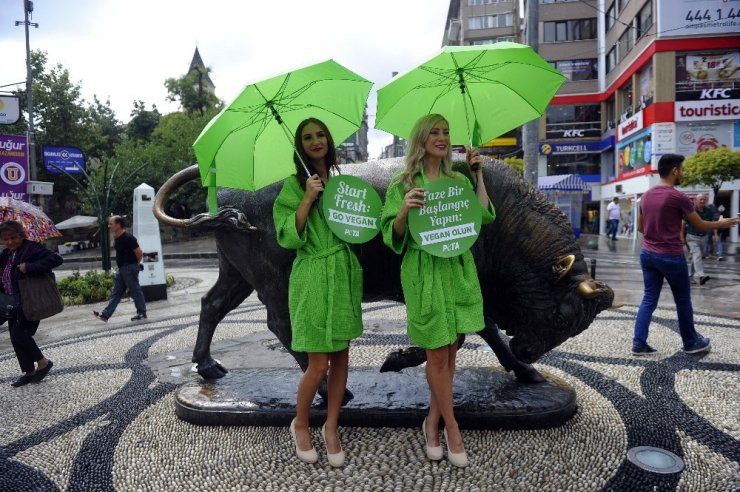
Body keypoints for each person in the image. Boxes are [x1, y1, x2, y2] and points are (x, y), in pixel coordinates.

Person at [380, 114, 495, 467]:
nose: (442, 137)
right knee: (436, 354)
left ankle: (432, 421)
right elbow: (391, 234)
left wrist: (478, 174)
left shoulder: (457, 178)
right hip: (423, 270)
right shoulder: (404, 181)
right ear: (421, 138)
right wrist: (403, 211)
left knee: (451, 349)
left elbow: (483, 215)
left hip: (456, 268)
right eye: (435, 132)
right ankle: (451, 426)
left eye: (446, 132)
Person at [273, 117, 363, 467]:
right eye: (307, 137)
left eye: (320, 134)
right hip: (311, 274)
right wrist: (307, 198)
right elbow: (286, 235)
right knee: (318, 363)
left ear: (329, 139)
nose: (315, 141)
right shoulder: (293, 186)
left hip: (342, 273)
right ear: (300, 144)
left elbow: (359, 224)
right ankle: (301, 423)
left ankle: (331, 425)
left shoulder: (342, 180)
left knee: (341, 358)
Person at [631, 154, 740, 356]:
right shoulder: (677, 197)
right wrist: (722, 224)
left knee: (649, 298)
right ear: (674, 171)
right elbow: (699, 225)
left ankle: (639, 343)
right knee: (682, 299)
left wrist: (656, 234)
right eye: (681, 170)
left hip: (647, 253)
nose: (683, 173)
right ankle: (691, 342)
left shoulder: (646, 195)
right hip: (670, 255)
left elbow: (640, 227)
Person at [0, 220, 63, 387]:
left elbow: (56, 259)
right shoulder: (5, 254)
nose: (9, 242)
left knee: (20, 335)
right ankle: (29, 372)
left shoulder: (32, 248)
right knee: (15, 337)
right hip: (12, 303)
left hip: (30, 301)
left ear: (21, 235)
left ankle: (43, 362)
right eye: (5, 239)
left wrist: (30, 267)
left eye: (13, 237)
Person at [93, 216, 147, 322]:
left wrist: (134, 265)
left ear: (118, 225)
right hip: (122, 269)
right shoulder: (117, 238)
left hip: (129, 268)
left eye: (111, 224)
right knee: (116, 292)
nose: (109, 226)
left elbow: (139, 252)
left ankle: (142, 312)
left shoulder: (128, 237)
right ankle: (105, 315)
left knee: (135, 290)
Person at [680, 194, 713, 285]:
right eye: (700, 199)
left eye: (704, 199)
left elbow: (712, 224)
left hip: (704, 237)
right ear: (696, 200)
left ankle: (689, 276)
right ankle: (701, 275)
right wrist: (681, 236)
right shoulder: (690, 211)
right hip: (692, 237)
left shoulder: (709, 211)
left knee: (696, 257)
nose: (702, 201)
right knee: (697, 255)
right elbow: (682, 223)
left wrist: (715, 235)